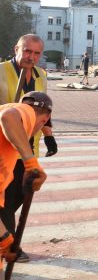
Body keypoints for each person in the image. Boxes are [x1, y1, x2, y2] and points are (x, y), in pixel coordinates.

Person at [0, 35, 58, 264]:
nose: (30, 57)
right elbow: (9, 116)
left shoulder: (41, 75)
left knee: (15, 197)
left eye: (36, 53)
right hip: (6, 145)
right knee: (4, 199)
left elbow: (43, 110)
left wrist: (49, 137)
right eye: (27, 51)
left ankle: (7, 239)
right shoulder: (2, 71)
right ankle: (9, 242)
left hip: (26, 149)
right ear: (16, 49)